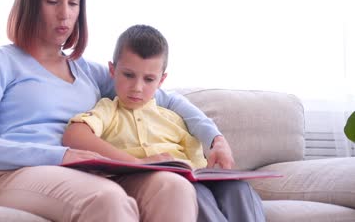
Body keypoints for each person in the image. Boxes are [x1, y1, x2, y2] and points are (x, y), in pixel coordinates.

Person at [0, 0, 234, 221]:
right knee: (107, 198)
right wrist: (58, 155)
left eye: (73, 3)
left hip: (90, 173)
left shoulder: (87, 71)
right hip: (17, 176)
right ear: (30, 3)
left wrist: (214, 138)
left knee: (173, 187)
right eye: (52, 1)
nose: (64, 14)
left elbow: (166, 99)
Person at [63, 24, 265, 222]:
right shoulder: (108, 110)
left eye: (149, 79)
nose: (137, 88)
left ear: (161, 80)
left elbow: (196, 156)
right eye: (128, 75)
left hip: (192, 176)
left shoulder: (171, 116)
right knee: (194, 193)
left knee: (239, 189)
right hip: (158, 183)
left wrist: (217, 145)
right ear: (112, 70)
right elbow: (74, 135)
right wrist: (133, 161)